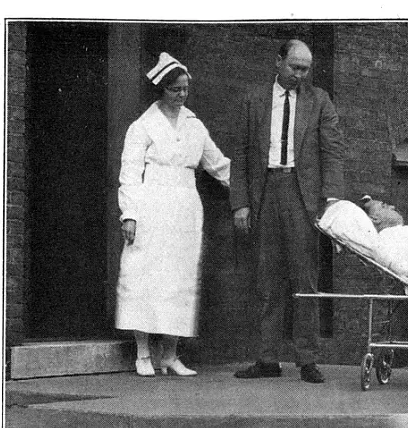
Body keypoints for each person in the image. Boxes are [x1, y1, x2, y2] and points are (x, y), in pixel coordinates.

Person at [231, 39, 346, 384]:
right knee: (267, 279)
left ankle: (307, 360)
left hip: (302, 196)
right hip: (265, 192)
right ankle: (267, 359)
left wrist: (332, 201)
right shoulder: (253, 99)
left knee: (305, 279)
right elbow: (240, 153)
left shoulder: (319, 100)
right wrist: (241, 202)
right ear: (278, 61)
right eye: (294, 67)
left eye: (306, 69)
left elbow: (333, 152)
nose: (300, 74)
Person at [116, 52, 230, 377]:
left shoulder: (195, 126)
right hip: (152, 204)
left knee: (179, 278)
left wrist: (253, 186)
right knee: (145, 273)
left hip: (185, 207)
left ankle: (169, 354)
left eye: (184, 89)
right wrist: (130, 214)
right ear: (161, 90)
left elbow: (218, 165)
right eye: (175, 89)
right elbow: (129, 173)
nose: (181, 95)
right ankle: (142, 352)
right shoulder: (142, 127)